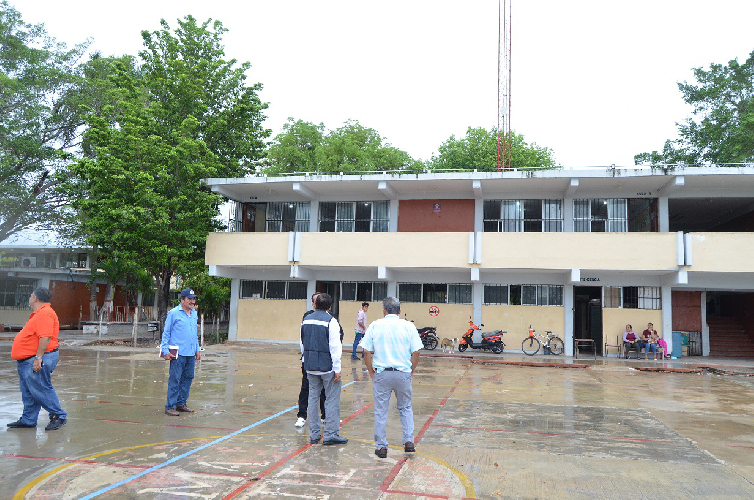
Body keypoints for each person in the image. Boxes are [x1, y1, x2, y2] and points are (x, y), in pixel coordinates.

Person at [362, 296, 423, 459]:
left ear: (384, 310)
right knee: (405, 407)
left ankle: (381, 447)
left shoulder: (375, 325)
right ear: (399, 311)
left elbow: (366, 351)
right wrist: (411, 370)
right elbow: (416, 351)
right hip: (403, 373)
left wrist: (371, 372)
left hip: (382, 373)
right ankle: (409, 442)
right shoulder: (408, 326)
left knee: (381, 410)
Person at [7, 287, 67, 431]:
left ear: (35, 298)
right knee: (29, 391)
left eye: (31, 296)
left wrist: (38, 358)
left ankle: (58, 415)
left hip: (37, 358)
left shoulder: (45, 313)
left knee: (41, 388)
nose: (29, 298)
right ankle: (28, 419)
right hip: (27, 360)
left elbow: (45, 337)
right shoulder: (39, 313)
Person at [300, 292, 347, 445]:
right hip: (327, 367)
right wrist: (337, 368)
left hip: (310, 366)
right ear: (330, 306)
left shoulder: (306, 320)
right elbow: (335, 346)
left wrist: (305, 360)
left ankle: (314, 435)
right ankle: (330, 434)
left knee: (312, 399)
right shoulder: (331, 321)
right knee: (331, 399)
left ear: (315, 304)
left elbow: (302, 343)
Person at [161, 288, 201, 416]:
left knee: (188, 378)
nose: (192, 301)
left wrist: (197, 349)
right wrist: (165, 350)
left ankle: (181, 403)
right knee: (175, 379)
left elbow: (194, 333)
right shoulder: (173, 313)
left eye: (193, 299)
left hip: (190, 352)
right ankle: (170, 406)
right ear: (182, 300)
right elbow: (166, 333)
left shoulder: (194, 313)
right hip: (177, 353)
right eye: (189, 299)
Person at [295, 293, 326, 428]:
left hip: (324, 361)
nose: (317, 302)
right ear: (313, 303)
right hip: (308, 360)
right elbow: (303, 338)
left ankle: (325, 415)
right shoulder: (307, 316)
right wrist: (305, 356)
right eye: (315, 300)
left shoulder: (330, 318)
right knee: (306, 388)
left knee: (325, 390)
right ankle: (302, 415)